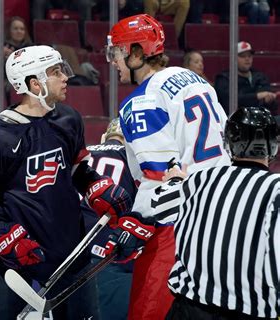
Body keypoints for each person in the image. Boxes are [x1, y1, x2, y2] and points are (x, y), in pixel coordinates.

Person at [0, 45, 154, 319]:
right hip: (11, 256)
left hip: (67, 249)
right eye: (55, 72)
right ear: (33, 83)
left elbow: (75, 169)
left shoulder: (68, 119)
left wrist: (95, 186)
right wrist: (5, 236)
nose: (65, 77)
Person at [106, 14, 231, 320]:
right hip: (223, 216)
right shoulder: (195, 79)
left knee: (149, 312)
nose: (113, 61)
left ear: (137, 53)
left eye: (118, 53)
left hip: (178, 224)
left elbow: (160, 176)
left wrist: (137, 221)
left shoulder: (141, 101)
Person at [152, 106, 279, 320]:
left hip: (186, 310)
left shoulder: (199, 179)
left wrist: (174, 179)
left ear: (229, 143)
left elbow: (161, 205)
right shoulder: (275, 188)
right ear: (273, 146)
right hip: (246, 312)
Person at [82, 118, 138, 320]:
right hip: (109, 246)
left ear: (104, 136)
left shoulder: (85, 152)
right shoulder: (131, 157)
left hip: (74, 243)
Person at [215, 41, 278, 115]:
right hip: (237, 120)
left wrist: (268, 101)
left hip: (260, 118)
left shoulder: (260, 76)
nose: (247, 59)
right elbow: (230, 101)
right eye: (243, 56)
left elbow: (272, 105)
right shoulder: (224, 78)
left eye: (249, 56)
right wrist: (257, 96)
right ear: (233, 58)